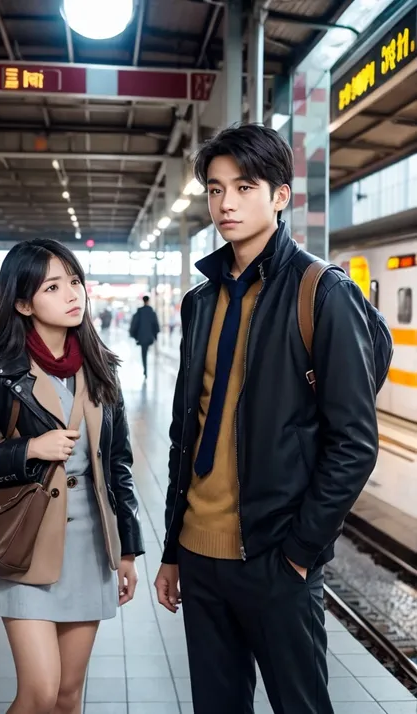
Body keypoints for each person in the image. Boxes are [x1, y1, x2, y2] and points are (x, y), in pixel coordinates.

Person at [154, 124, 390, 714]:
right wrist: (171, 551)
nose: (225, 203)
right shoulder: (200, 302)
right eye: (214, 189)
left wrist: (300, 550)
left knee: (300, 706)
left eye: (244, 186)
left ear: (281, 196)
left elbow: (355, 442)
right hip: (199, 558)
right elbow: (189, 430)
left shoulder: (321, 291)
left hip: (275, 555)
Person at [0, 238, 145, 714]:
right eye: (53, 287)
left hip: (90, 551)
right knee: (37, 694)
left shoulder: (101, 369)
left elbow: (118, 464)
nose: (71, 294)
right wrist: (28, 449)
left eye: (74, 281)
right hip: (26, 548)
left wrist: (128, 550)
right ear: (22, 301)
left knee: (65, 697)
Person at [129, 295, 160, 378]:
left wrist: (134, 335)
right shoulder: (152, 312)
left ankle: (145, 369)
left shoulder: (139, 312)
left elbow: (134, 324)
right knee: (146, 351)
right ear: (148, 301)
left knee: (144, 353)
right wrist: (155, 335)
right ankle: (146, 368)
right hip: (150, 336)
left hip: (141, 336)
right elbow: (155, 325)